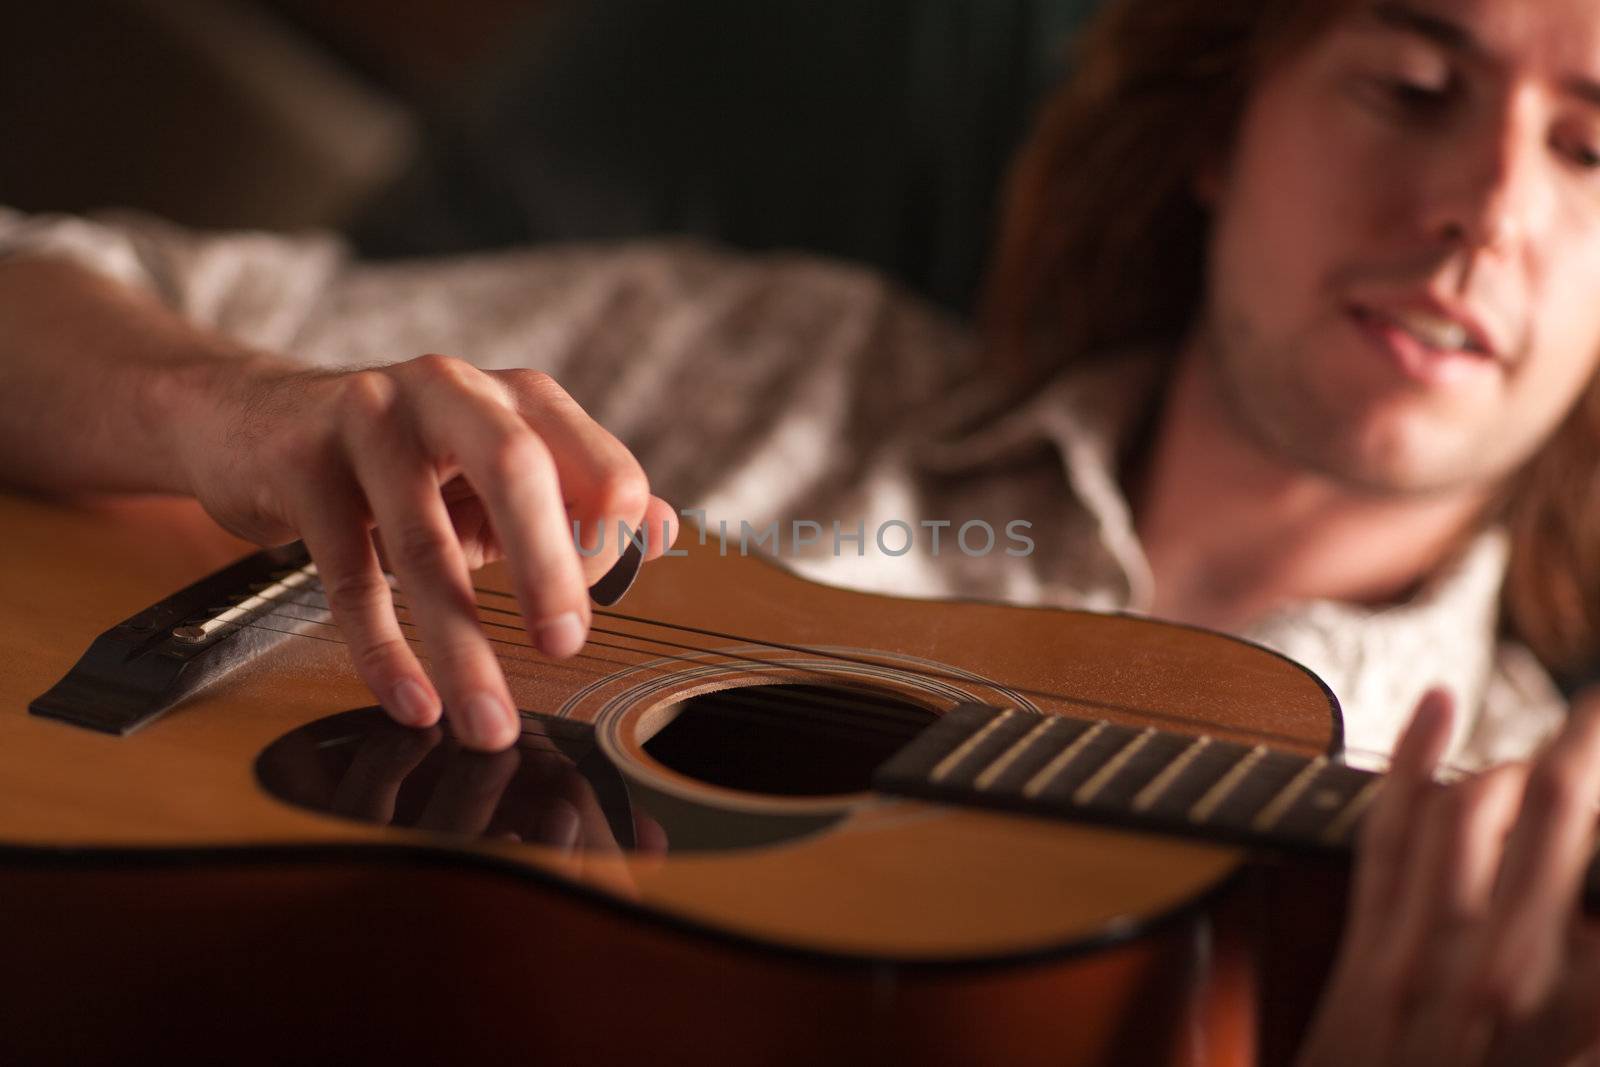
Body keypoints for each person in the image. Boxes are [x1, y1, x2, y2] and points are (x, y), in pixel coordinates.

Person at [3, 0, 1600, 1060]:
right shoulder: (788, 359)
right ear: (1216, 133)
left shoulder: (1509, 879)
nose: (1485, 210)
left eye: (1592, 147)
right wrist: (217, 408)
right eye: (1409, 87)